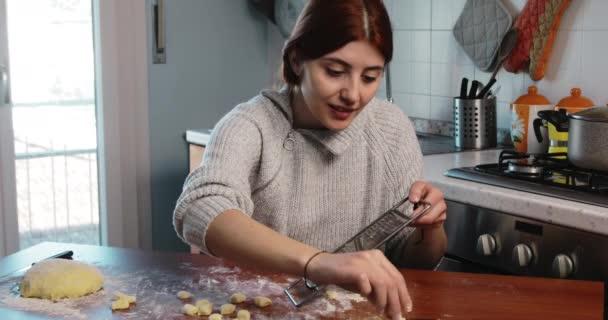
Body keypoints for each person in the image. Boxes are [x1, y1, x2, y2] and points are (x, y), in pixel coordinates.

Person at [173, 1, 447, 319]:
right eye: (335, 72)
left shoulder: (392, 128)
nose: (353, 94)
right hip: (263, 309)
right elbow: (199, 210)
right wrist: (319, 262)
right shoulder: (251, 124)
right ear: (297, 60)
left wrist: (431, 228)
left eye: (370, 77)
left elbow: (414, 262)